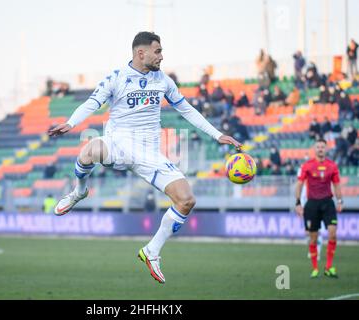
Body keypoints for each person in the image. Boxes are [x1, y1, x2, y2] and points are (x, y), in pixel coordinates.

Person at [47, 31, 242, 284]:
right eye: (158, 51)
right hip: (118, 143)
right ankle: (79, 192)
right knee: (89, 149)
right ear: (141, 53)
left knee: (186, 200)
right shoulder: (116, 78)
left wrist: (217, 135)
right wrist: (71, 123)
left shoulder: (164, 80)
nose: (162, 56)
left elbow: (186, 109)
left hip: (149, 153)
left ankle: (152, 250)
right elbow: (92, 103)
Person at [295, 139, 343, 278]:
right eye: (318, 147)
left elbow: (337, 185)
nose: (320, 149)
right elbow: (299, 184)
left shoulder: (332, 166)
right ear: (314, 149)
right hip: (312, 205)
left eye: (323, 146)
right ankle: (315, 268)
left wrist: (340, 200)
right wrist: (298, 202)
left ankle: (328, 267)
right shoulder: (307, 165)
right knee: (313, 238)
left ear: (326, 149)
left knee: (333, 234)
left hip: (328, 203)